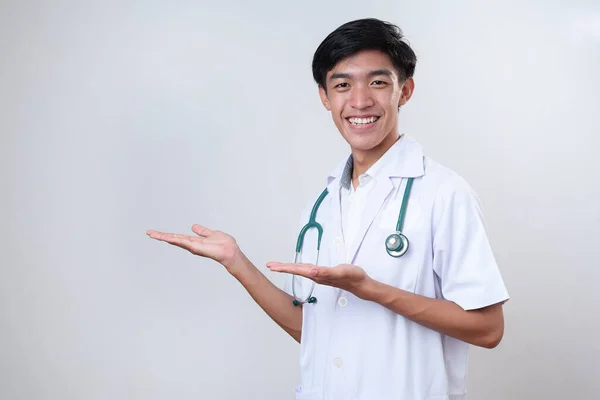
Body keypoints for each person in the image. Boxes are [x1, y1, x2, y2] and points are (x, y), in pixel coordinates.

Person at [147, 17, 509, 400]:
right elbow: (311, 329)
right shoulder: (321, 207)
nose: (360, 101)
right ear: (324, 97)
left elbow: (488, 329)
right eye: (342, 85)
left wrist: (372, 290)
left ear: (405, 91)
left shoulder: (444, 193)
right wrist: (237, 262)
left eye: (378, 82)